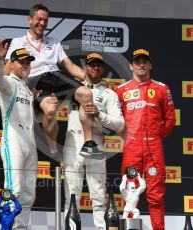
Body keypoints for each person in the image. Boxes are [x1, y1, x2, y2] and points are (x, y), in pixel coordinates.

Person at [4, 4, 104, 175]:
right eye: (39, 19)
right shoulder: (18, 42)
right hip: (35, 79)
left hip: (57, 76)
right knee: (50, 111)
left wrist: (93, 80)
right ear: (30, 20)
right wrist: (7, 84)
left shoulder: (54, 41)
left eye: (45, 20)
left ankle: (89, 144)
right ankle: (53, 153)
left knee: (87, 93)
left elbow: (70, 67)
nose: (42, 23)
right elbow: (8, 70)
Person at [115, 49, 176, 230]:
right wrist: (128, 137)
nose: (141, 65)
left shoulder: (162, 88)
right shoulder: (121, 90)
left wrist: (155, 136)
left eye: (145, 62)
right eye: (137, 62)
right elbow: (116, 121)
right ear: (131, 65)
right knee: (130, 192)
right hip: (132, 148)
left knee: (156, 194)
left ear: (150, 65)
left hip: (153, 148)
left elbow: (171, 119)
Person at [63, 53, 125, 229]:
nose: (95, 68)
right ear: (85, 68)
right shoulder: (73, 87)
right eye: (91, 65)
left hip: (96, 143)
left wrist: (99, 114)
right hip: (72, 142)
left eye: (98, 65)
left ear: (103, 68)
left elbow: (119, 124)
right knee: (71, 196)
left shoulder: (109, 94)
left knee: (98, 196)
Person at [0, 39, 38, 229]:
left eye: (28, 62)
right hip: (14, 142)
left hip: (30, 144)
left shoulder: (27, 89)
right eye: (21, 62)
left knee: (28, 194)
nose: (25, 65)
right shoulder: (9, 82)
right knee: (14, 189)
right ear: (13, 64)